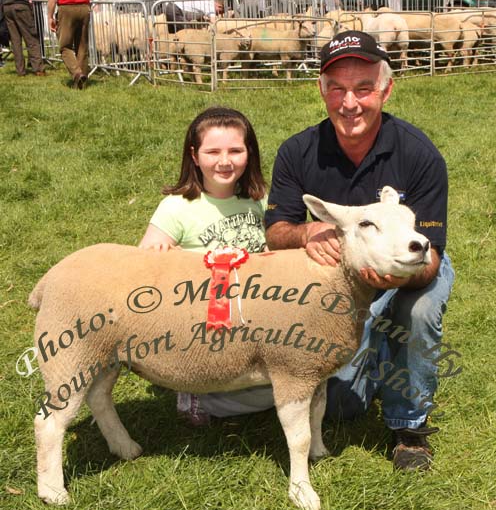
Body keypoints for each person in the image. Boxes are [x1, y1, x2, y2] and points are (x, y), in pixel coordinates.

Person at [265, 31, 455, 471]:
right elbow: (276, 230)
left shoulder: (419, 155)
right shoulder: (298, 152)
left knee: (419, 309)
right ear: (322, 90)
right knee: (343, 407)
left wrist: (399, 277)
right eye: (338, 88)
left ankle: (410, 430)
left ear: (386, 89)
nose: (349, 103)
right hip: (340, 281)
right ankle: (376, 350)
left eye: (364, 89)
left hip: (410, 267)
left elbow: (430, 257)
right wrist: (305, 234)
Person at [139, 107, 274, 426]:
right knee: (290, 385)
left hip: (258, 312)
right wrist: (158, 254)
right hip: (205, 321)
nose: (224, 161)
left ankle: (210, 395)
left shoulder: (261, 199)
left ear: (249, 153)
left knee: (300, 377)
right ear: (195, 156)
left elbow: (274, 248)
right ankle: (201, 394)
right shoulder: (176, 207)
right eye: (212, 151)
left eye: (235, 151)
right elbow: (142, 262)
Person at [47, 0, 89, 89]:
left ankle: (77, 73)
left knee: (64, 47)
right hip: (84, 7)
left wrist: (50, 17)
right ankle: (81, 85)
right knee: (82, 47)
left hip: (67, 8)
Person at [2, 0, 45, 76]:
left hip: (7, 5)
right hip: (20, 4)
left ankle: (20, 71)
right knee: (31, 38)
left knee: (15, 41)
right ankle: (38, 69)